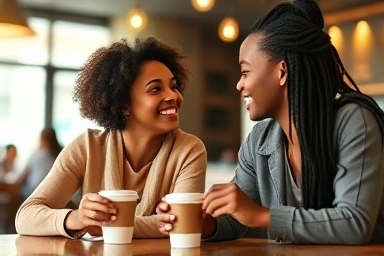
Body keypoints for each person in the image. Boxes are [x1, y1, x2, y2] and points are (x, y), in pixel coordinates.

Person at [157, 0, 384, 244]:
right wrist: (203, 223)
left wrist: (262, 215)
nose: (239, 84)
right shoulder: (260, 140)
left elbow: (354, 223)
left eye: (245, 72)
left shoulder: (353, 121)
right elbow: (237, 218)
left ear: (282, 72)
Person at [15, 37, 207, 238]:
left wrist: (109, 226)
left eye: (174, 86)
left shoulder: (189, 150)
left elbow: (182, 222)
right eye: (156, 89)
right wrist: (77, 218)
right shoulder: (87, 147)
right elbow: (25, 216)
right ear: (123, 105)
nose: (173, 96)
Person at [21, 127, 63, 199]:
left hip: (35, 191)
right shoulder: (61, 153)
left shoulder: (36, 154)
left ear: (42, 139)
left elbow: (24, 175)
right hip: (56, 192)